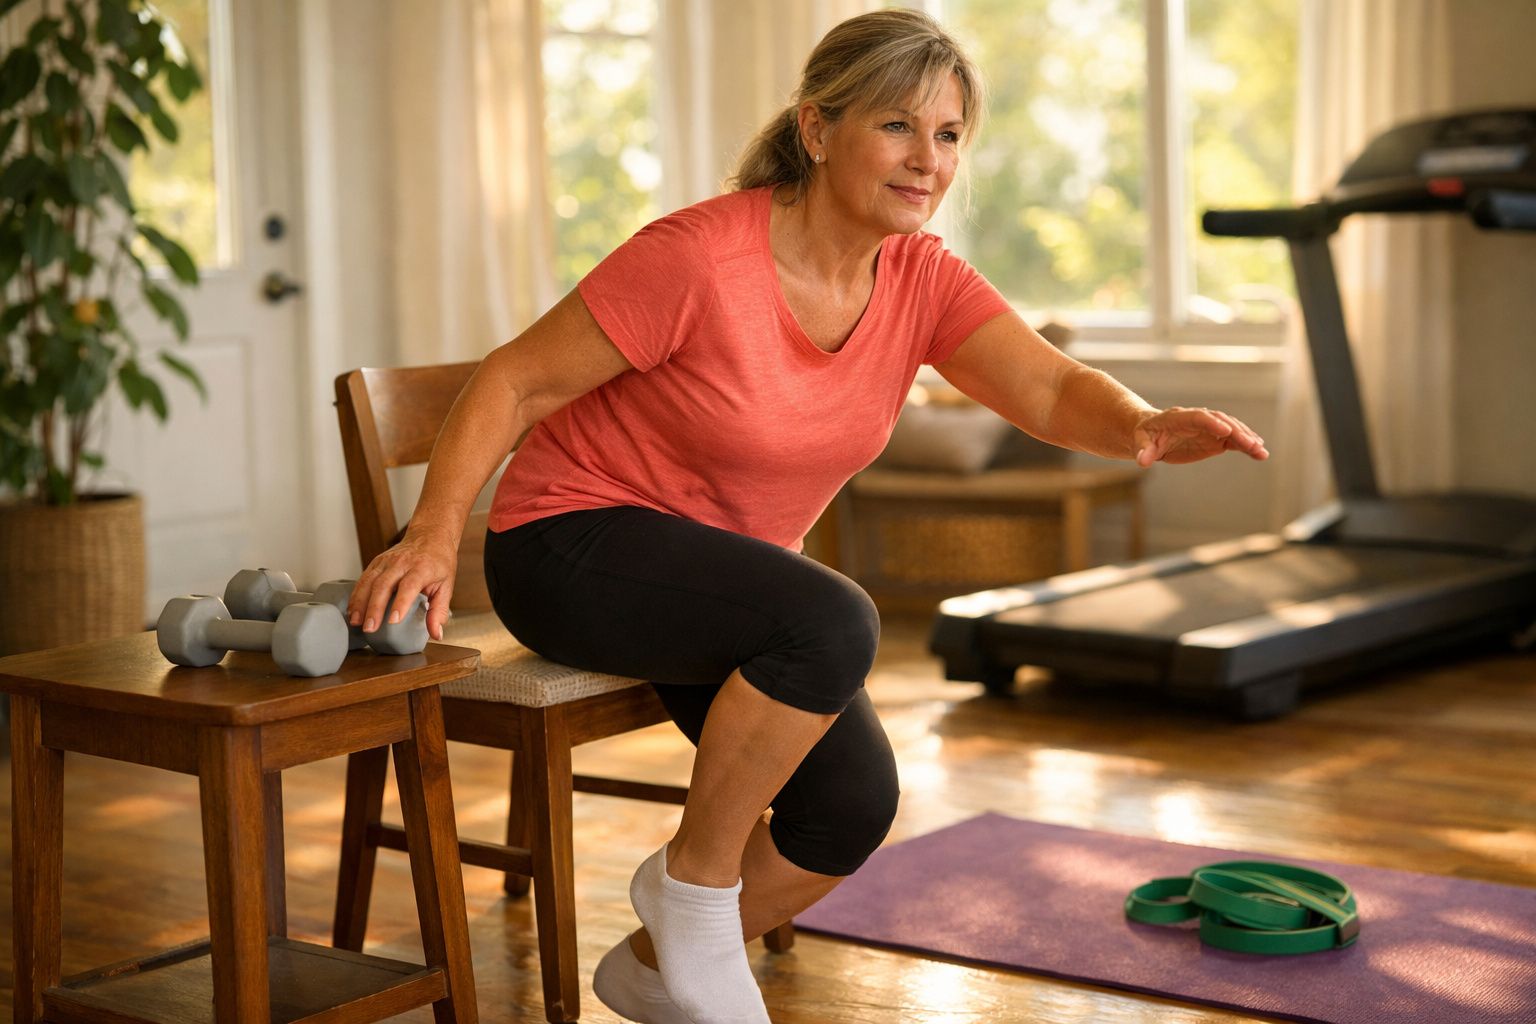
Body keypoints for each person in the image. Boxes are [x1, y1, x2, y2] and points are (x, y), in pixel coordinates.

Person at [347, 9, 1268, 1023]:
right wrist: (431, 529)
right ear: (818, 129)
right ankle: (695, 892)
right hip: (569, 541)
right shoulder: (700, 258)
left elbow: (1047, 391)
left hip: (718, 577)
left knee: (849, 808)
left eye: (950, 135)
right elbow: (513, 382)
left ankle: (654, 963)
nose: (928, 161)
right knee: (832, 619)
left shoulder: (919, 276)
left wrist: (1140, 423)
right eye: (898, 128)